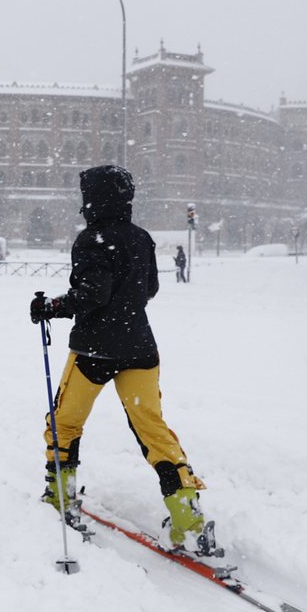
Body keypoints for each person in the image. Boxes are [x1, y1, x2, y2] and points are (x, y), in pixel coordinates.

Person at [29, 165, 218, 556]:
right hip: (140, 350)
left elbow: (93, 293)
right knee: (152, 428)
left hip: (94, 352)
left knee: (64, 422)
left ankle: (60, 496)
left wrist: (53, 306)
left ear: (93, 198)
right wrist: (125, 303)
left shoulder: (90, 239)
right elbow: (150, 287)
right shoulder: (141, 238)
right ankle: (188, 518)